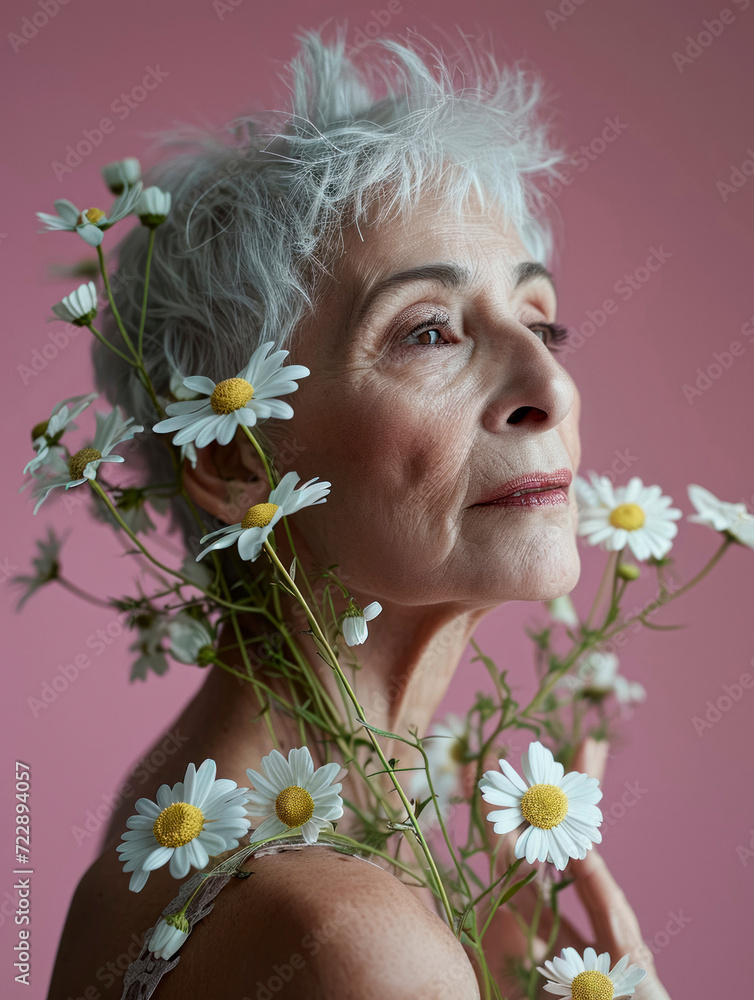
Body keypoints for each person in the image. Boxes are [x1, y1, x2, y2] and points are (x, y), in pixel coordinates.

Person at [46, 25, 672, 999]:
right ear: (232, 454)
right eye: (428, 332)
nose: (547, 382)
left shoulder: (182, 811)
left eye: (540, 320)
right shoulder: (352, 940)